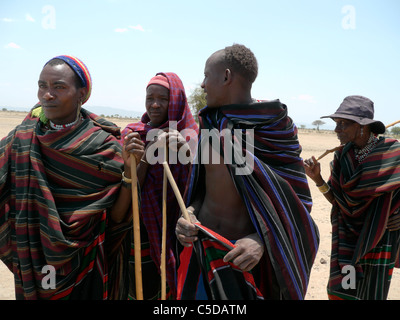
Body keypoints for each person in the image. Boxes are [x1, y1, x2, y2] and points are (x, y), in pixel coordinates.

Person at [175, 44, 319, 300]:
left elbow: (298, 203)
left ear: (226, 77)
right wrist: (190, 214)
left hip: (243, 261)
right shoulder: (210, 123)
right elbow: (202, 188)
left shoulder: (274, 129)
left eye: (207, 76)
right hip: (202, 250)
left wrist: (261, 242)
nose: (203, 85)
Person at [0, 55, 132, 299]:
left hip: (85, 260)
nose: (47, 95)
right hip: (31, 256)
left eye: (59, 87)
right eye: (42, 86)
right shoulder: (22, 137)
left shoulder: (103, 147)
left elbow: (118, 216)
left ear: (81, 93)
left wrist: (133, 174)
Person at [303, 95, 400, 300]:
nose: (337, 130)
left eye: (343, 124)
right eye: (336, 124)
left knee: (372, 291)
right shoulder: (342, 157)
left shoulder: (392, 153)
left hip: (379, 235)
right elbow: (338, 203)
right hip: (347, 236)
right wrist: (318, 179)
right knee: (344, 290)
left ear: (363, 127)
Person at [119, 72, 199, 299]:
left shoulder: (192, 136)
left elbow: (199, 186)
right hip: (140, 230)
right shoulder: (133, 134)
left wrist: (185, 152)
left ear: (176, 101)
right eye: (149, 98)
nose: (154, 105)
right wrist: (144, 155)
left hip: (180, 231)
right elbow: (129, 188)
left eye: (162, 99)